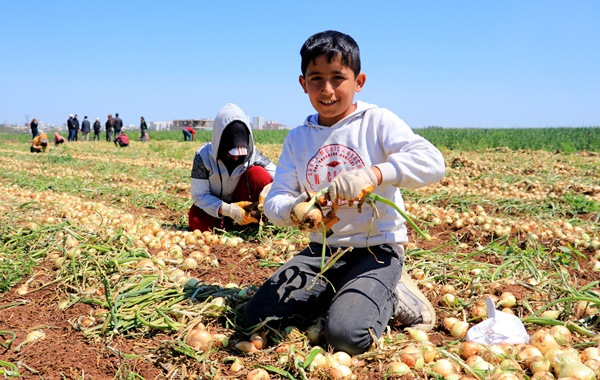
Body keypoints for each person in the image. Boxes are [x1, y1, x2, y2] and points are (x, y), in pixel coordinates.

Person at [243, 31, 446, 355]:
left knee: (346, 337)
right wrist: (294, 208)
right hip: (322, 253)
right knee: (255, 317)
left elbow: (433, 162)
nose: (327, 89)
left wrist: (376, 173)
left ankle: (395, 292)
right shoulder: (298, 138)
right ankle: (344, 295)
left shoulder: (377, 122)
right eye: (316, 79)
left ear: (359, 81)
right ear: (302, 83)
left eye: (338, 78)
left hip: (376, 251)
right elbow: (276, 197)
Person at [188, 103, 276, 232]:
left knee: (259, 174)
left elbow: (280, 177)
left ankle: (255, 220)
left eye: (240, 153)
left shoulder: (252, 154)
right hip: (218, 208)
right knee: (196, 220)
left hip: (245, 205)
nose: (236, 158)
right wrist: (228, 210)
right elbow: (199, 195)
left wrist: (268, 189)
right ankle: (230, 224)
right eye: (231, 152)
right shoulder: (203, 157)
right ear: (220, 145)